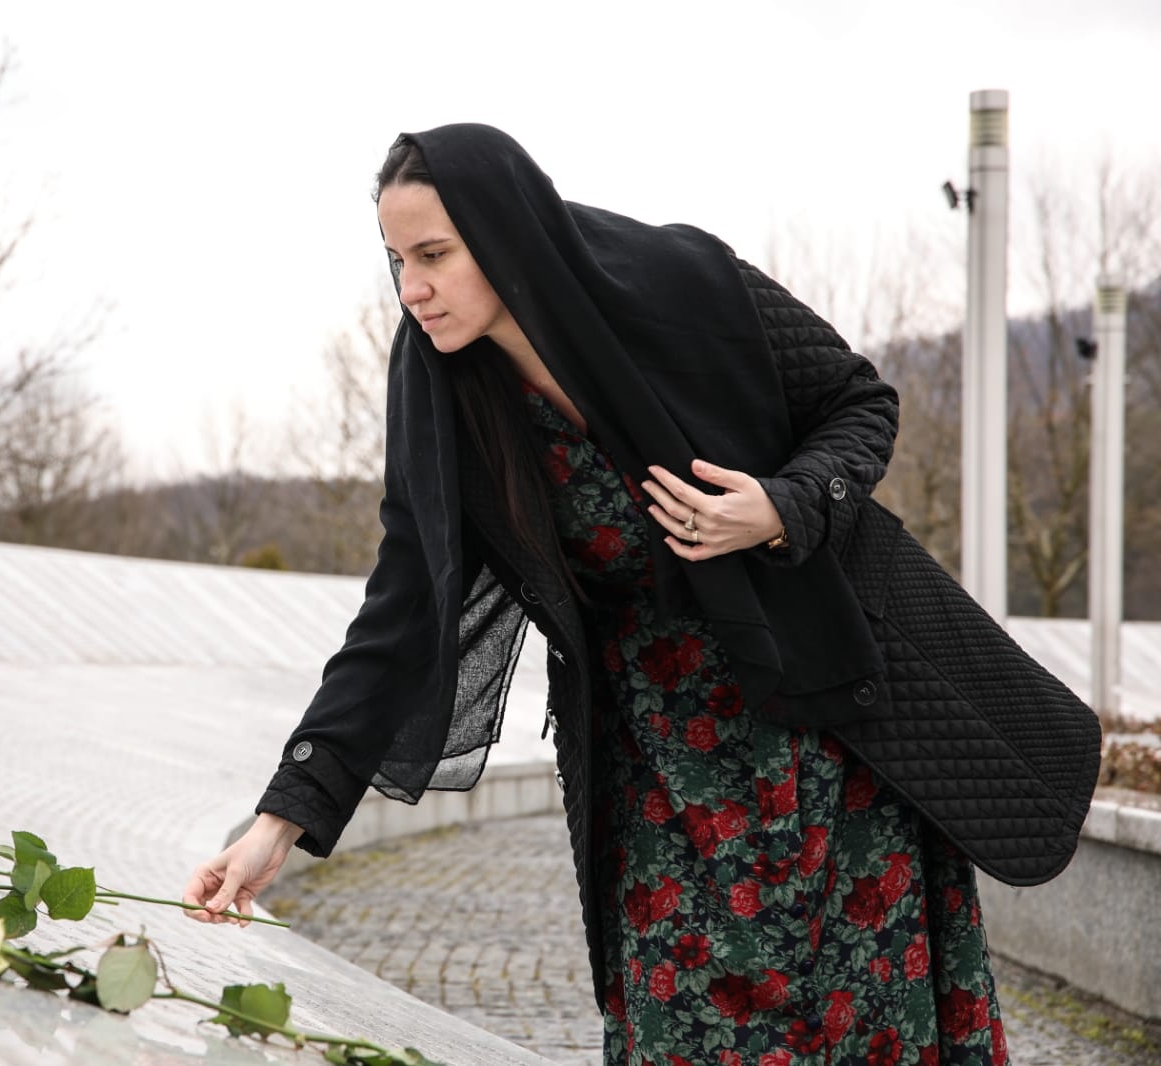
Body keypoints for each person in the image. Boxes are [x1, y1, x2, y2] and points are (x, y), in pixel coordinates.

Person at [184, 124, 1011, 1065]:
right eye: (395, 260)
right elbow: (403, 609)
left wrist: (777, 508)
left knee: (860, 1025)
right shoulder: (442, 390)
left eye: (433, 256)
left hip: (824, 730)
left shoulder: (685, 284)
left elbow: (860, 401)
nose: (410, 288)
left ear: (504, 236)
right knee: (676, 1035)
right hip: (653, 769)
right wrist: (276, 824)